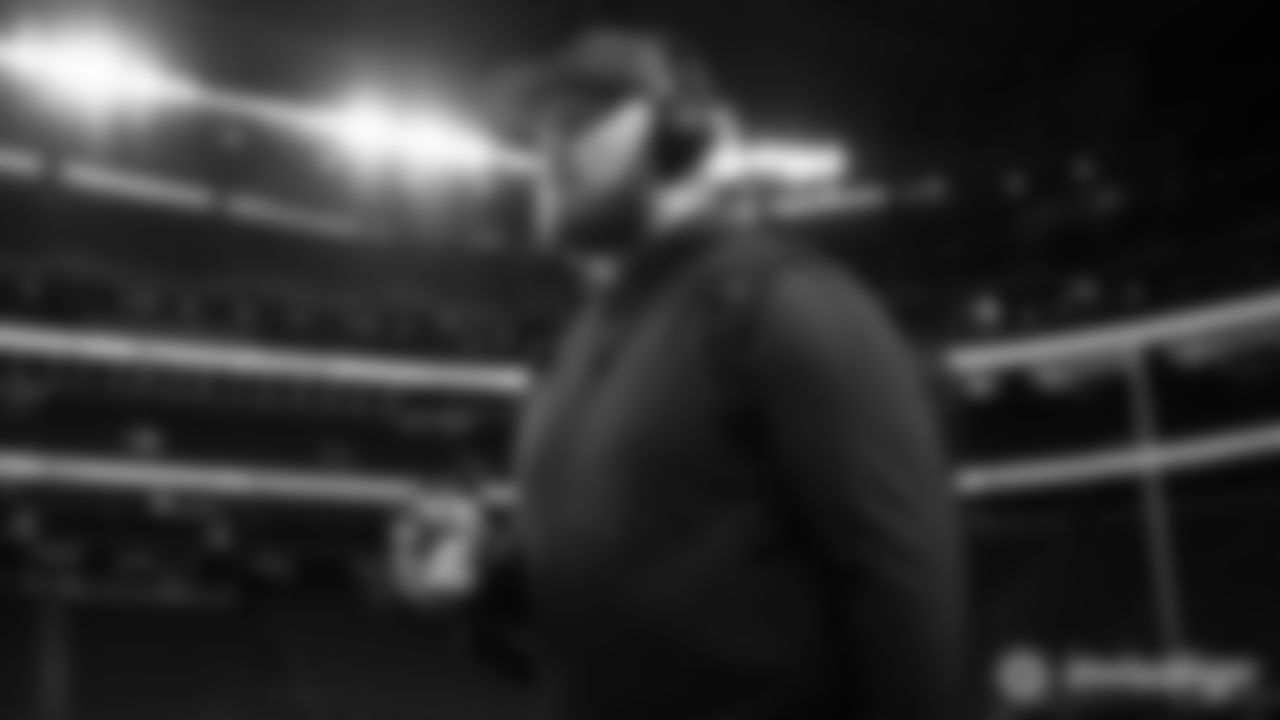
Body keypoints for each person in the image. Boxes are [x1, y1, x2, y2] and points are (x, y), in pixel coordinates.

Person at [474, 27, 964, 720]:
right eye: (536, 131)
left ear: (682, 132)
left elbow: (905, 590)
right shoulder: (561, 359)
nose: (545, 150)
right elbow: (597, 623)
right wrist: (477, 583)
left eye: (578, 120)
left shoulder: (784, 301)